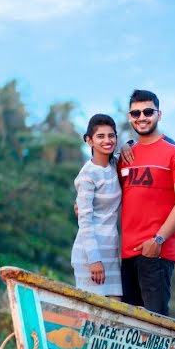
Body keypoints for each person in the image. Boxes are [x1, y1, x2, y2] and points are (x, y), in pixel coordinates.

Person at [118, 89, 175, 316]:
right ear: (130, 117)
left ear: (159, 114)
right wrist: (83, 204)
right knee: (127, 329)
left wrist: (158, 240)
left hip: (156, 252)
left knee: (154, 328)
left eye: (148, 111)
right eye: (136, 113)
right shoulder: (125, 155)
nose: (142, 117)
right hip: (126, 255)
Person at [71, 114, 124, 297]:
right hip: (91, 255)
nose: (107, 140)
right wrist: (94, 260)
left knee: (116, 314)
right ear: (89, 140)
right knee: (93, 319)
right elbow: (85, 221)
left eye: (111, 135)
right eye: (100, 136)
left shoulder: (115, 165)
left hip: (111, 252)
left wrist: (129, 145)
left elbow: (129, 152)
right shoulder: (87, 175)